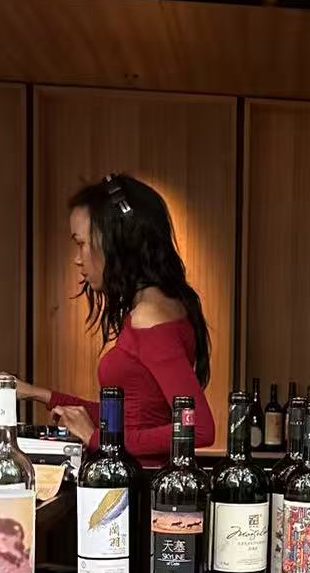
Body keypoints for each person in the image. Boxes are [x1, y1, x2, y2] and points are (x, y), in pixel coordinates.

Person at [17, 174, 215, 460]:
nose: (77, 258)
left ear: (116, 242)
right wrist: (39, 394)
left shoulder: (150, 316)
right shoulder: (159, 306)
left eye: (81, 243)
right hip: (131, 474)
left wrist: (96, 438)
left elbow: (199, 428)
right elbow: (132, 420)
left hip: (139, 481)